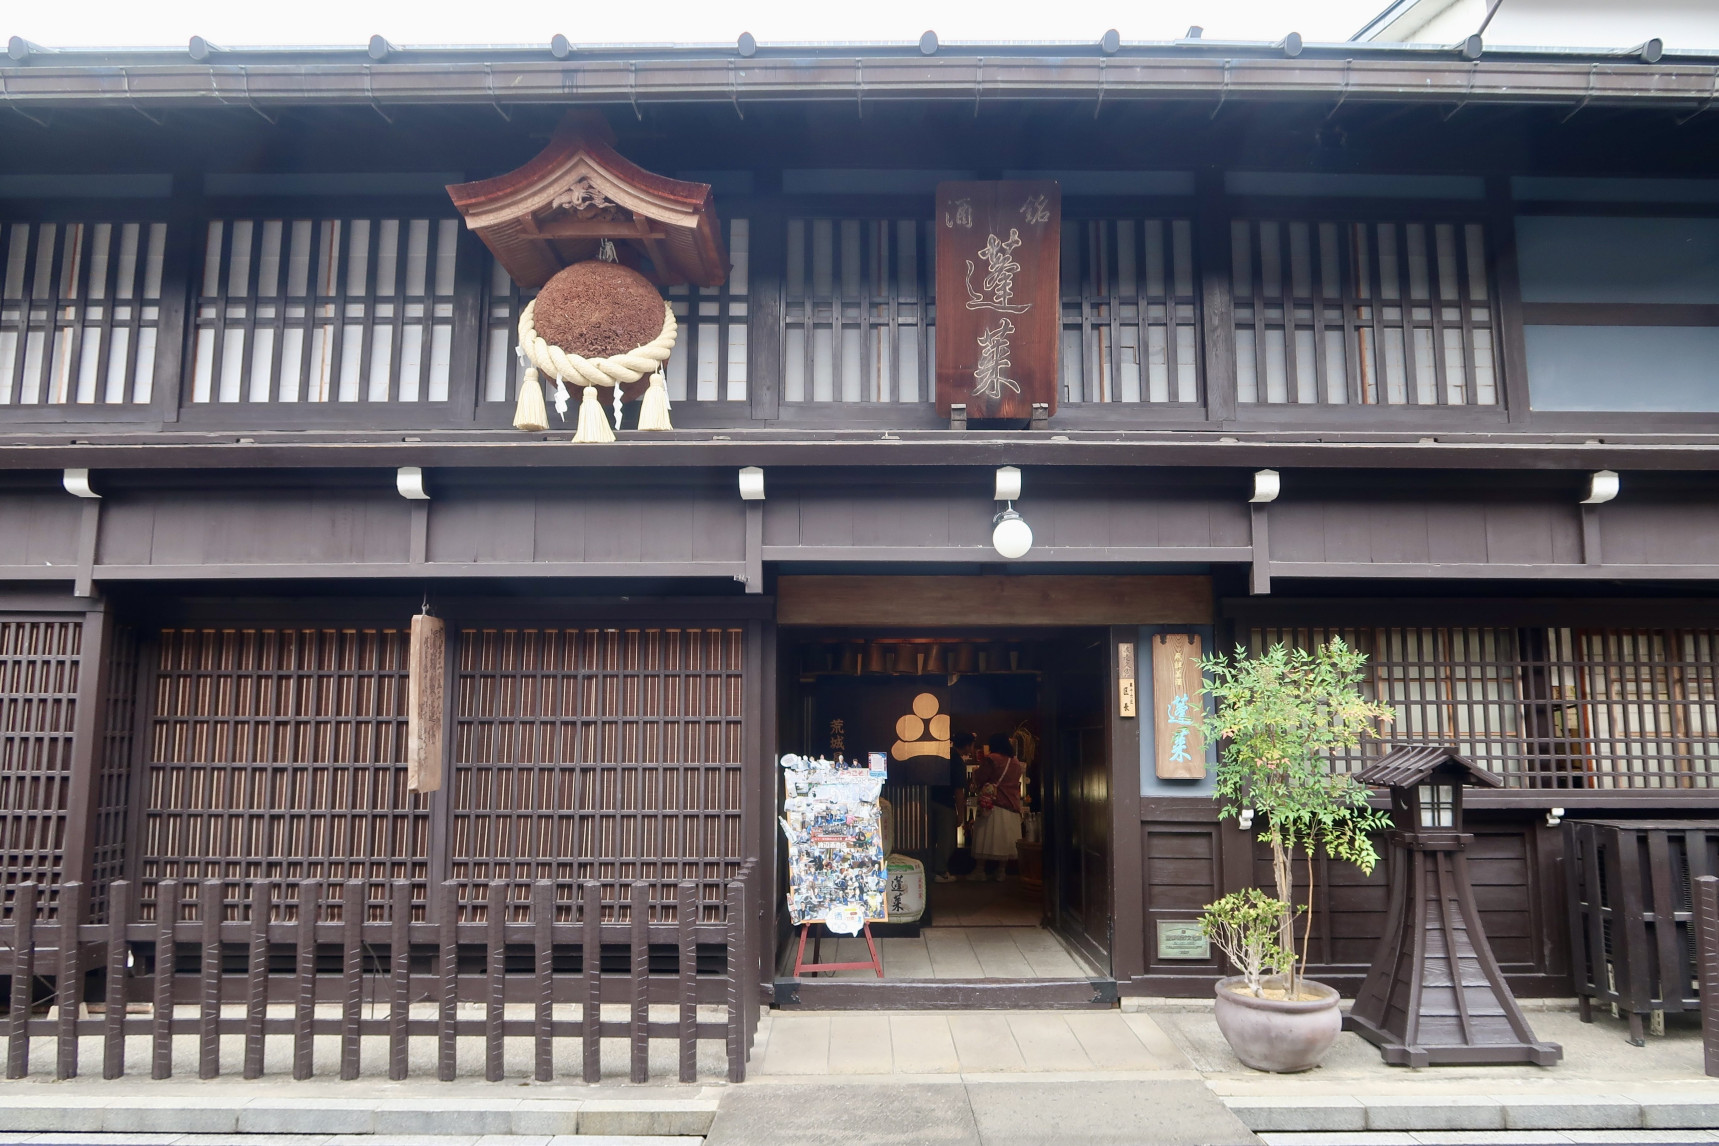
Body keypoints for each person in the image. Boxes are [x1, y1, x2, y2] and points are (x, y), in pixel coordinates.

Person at [967, 732, 1025, 882]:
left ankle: (980, 870)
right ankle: (1001, 872)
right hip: (1011, 804)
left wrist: (975, 773)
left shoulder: (992, 759)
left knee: (985, 836)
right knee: (1005, 840)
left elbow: (981, 777)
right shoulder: (1016, 762)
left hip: (993, 804)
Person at [930, 731, 976, 883]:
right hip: (945, 804)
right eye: (972, 745)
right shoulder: (957, 762)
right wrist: (960, 814)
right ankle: (940, 872)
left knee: (932, 838)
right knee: (947, 840)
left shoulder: (942, 756)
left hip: (930, 801)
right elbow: (958, 791)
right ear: (968, 745)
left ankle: (931, 870)